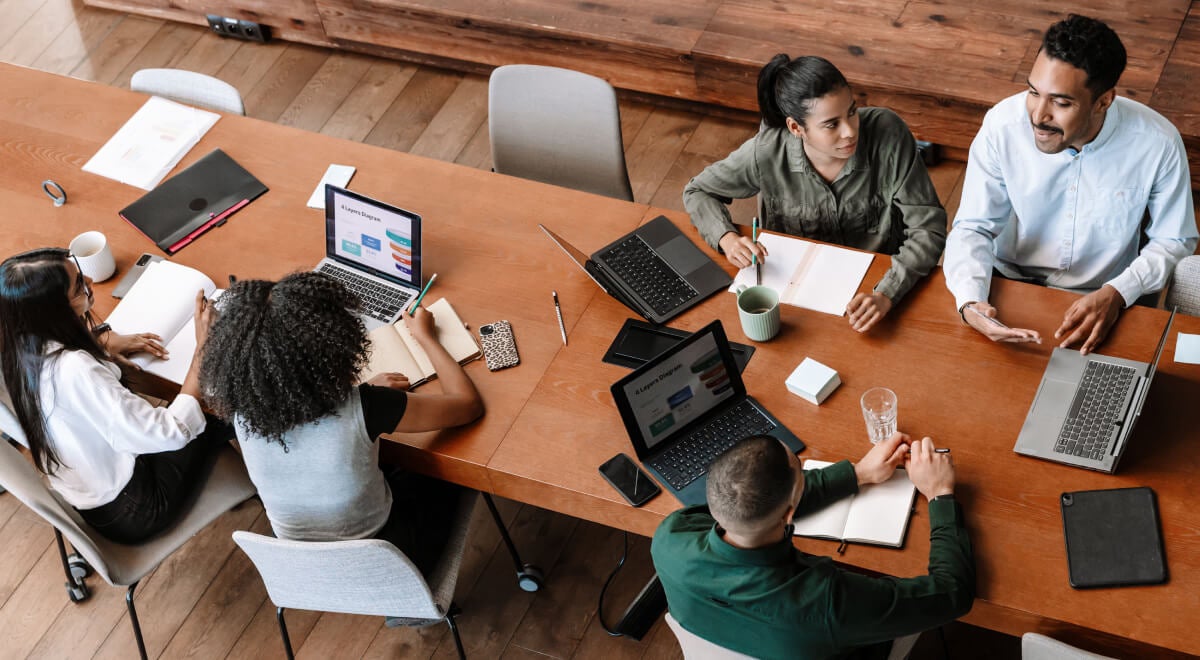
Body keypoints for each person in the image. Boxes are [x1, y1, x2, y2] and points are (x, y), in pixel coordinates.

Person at [944, 14, 1199, 355]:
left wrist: (1118, 292)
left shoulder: (1158, 143)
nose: (1037, 115)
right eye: (1034, 92)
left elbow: (1174, 240)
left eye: (1061, 103)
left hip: (1100, 297)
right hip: (1001, 284)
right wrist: (970, 301)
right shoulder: (1002, 126)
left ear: (1104, 100)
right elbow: (972, 227)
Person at [199, 272, 484, 574]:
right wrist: (426, 337)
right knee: (446, 467)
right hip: (394, 562)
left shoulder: (239, 407)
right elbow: (468, 405)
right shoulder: (368, 407)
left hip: (305, 567)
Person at [684, 54, 947, 333]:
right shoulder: (767, 151)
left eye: (852, 112)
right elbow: (698, 191)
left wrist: (888, 292)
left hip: (875, 290)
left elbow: (928, 227)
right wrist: (727, 238)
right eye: (831, 124)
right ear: (796, 128)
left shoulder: (887, 133)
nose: (849, 131)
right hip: (795, 305)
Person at [652, 433, 974, 659]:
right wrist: (940, 492)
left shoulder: (670, 536)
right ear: (791, 513)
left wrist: (857, 473)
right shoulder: (826, 601)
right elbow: (952, 592)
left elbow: (753, 511)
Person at [0, 248, 222, 544]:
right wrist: (203, 348)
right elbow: (171, 431)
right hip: (137, 506)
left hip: (97, 494)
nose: (89, 280)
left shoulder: (15, 349)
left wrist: (101, 342)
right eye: (79, 284)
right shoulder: (76, 370)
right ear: (55, 312)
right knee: (221, 410)